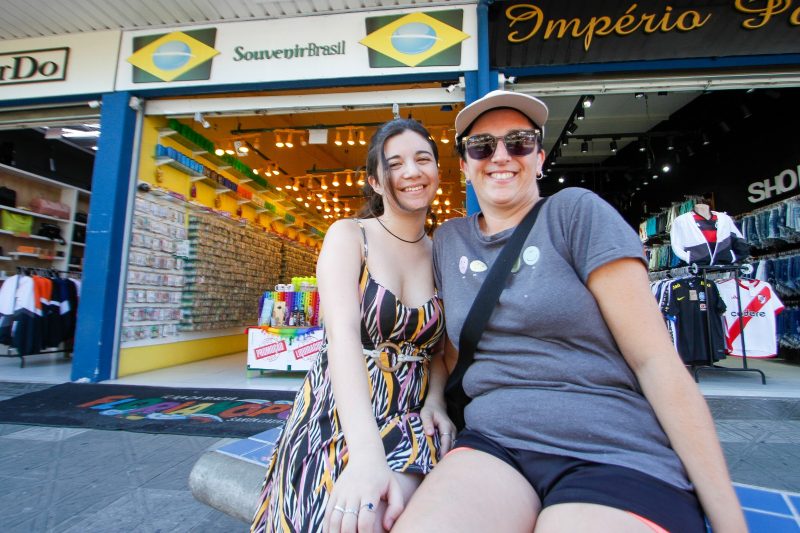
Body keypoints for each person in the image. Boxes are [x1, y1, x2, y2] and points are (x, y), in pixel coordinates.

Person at [394, 90, 747, 533]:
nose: (500, 155)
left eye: (518, 142)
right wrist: (431, 400)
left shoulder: (574, 213)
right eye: (482, 146)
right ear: (464, 166)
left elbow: (655, 360)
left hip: (607, 448)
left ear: (539, 157)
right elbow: (447, 351)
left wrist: (730, 521)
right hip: (495, 444)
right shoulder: (449, 240)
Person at [250, 118, 454, 533]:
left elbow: (436, 349)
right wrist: (365, 455)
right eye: (394, 163)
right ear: (376, 181)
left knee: (380, 516)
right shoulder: (349, 236)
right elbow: (340, 340)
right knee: (330, 518)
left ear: (436, 171)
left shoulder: (443, 252)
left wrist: (436, 400)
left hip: (411, 415)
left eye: (422, 159)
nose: (411, 171)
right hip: (340, 413)